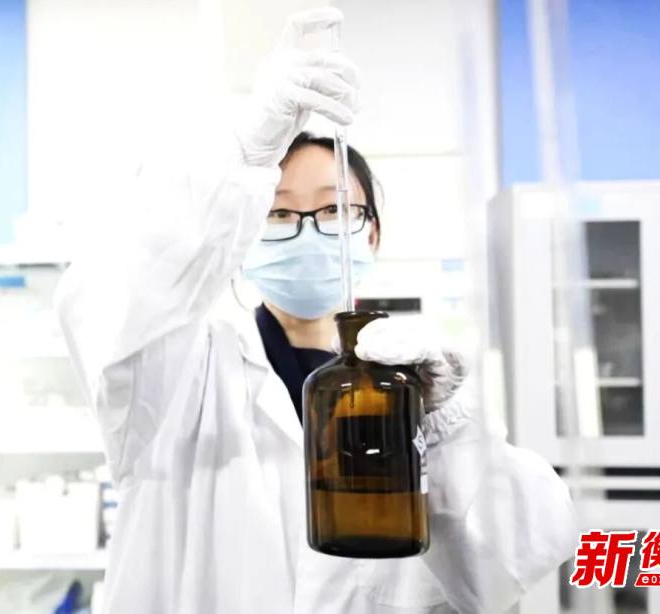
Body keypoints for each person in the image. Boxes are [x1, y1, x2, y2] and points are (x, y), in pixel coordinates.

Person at [55, 9, 577, 614]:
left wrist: (447, 429)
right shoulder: (180, 374)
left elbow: (508, 564)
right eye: (278, 212)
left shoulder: (415, 385)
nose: (307, 229)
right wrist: (245, 152)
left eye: (334, 210)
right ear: (242, 230)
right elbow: (109, 298)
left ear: (370, 233)